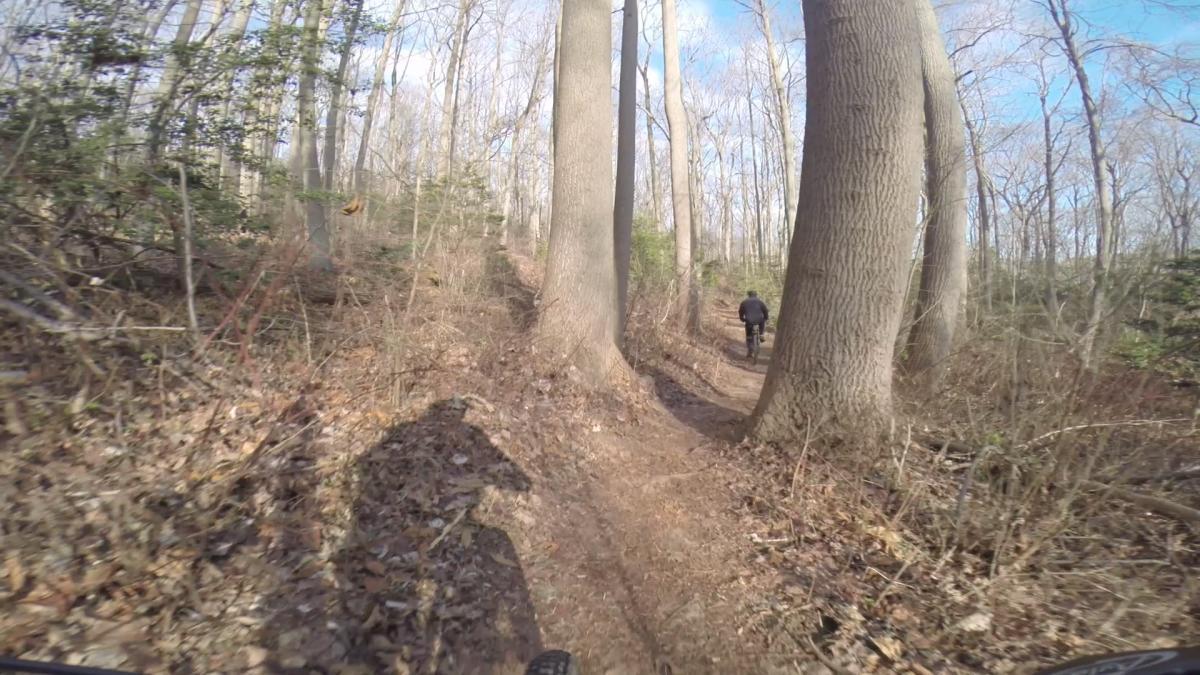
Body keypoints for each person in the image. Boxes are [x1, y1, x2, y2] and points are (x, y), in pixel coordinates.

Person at [738, 290, 769, 357]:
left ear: (748, 295)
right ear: (756, 295)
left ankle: (750, 348)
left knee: (749, 335)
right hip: (759, 320)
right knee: (762, 322)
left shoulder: (744, 302)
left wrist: (742, 319)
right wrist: (766, 318)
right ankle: (761, 335)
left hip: (749, 321)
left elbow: (740, 312)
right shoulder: (760, 302)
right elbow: (765, 311)